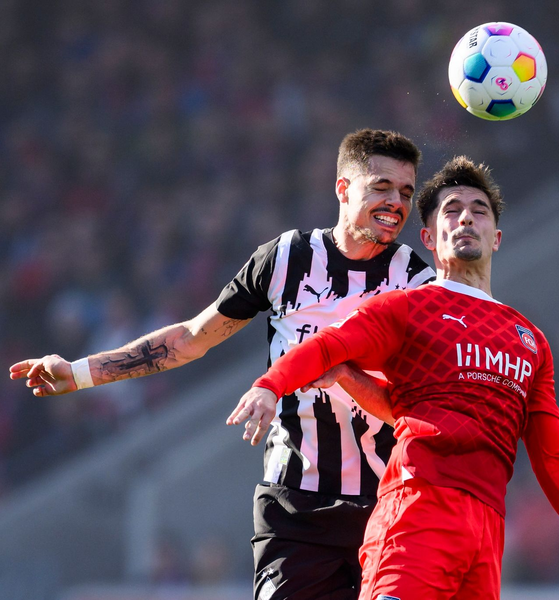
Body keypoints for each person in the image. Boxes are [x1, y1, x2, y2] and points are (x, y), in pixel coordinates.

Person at [9, 128, 436, 600]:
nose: (396, 202)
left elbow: (421, 407)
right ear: (342, 188)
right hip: (294, 505)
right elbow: (191, 338)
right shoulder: (286, 259)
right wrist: (81, 372)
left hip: (386, 506)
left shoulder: (418, 282)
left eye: (405, 192)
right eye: (381, 187)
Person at [230, 156, 559, 599]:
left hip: (487, 530)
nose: (465, 219)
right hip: (418, 507)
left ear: (496, 237)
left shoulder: (531, 340)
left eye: (479, 211)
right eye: (451, 211)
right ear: (430, 238)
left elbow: (551, 455)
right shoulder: (408, 308)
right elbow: (327, 345)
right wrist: (270, 385)